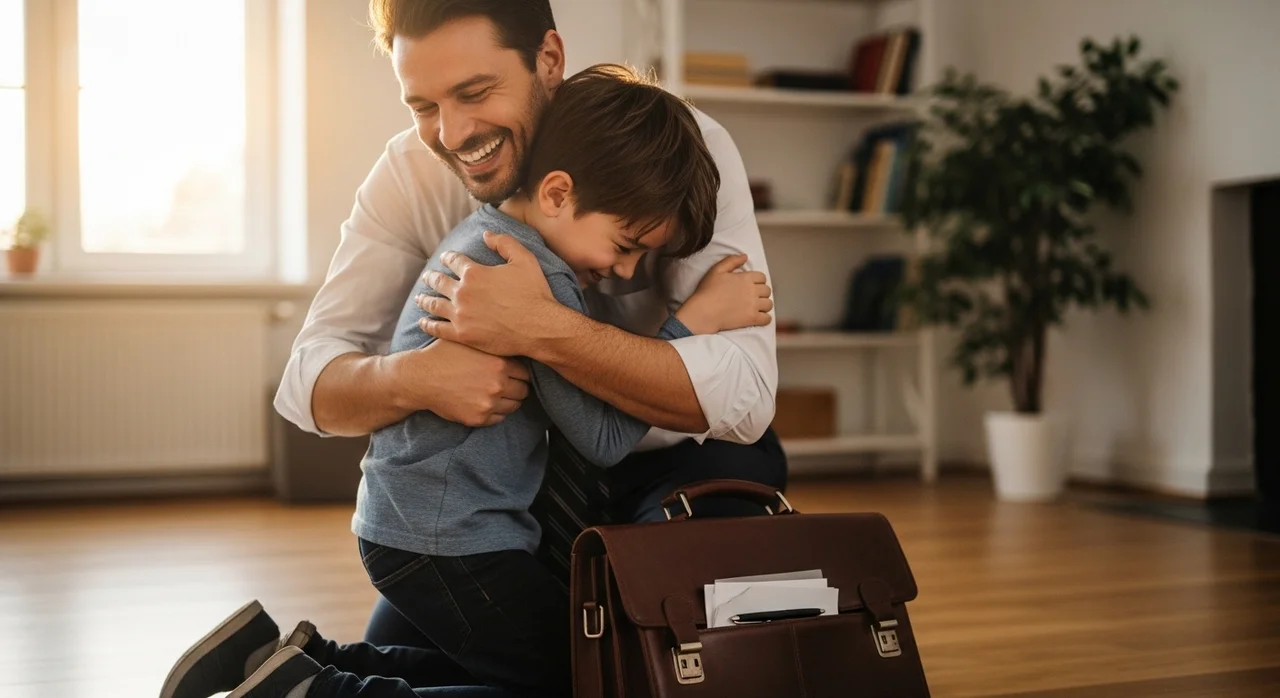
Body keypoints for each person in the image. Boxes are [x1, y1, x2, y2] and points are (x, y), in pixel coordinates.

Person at [158, 65, 769, 698]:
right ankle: (319, 694)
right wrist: (691, 323)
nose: (625, 271)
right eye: (624, 245)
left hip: (421, 525)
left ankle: (281, 660)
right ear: (557, 194)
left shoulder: (487, 233)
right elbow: (605, 439)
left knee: (511, 670)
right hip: (448, 538)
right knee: (577, 682)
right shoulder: (532, 277)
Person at [273, 0, 786, 651]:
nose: (453, 133)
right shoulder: (412, 175)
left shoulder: (674, 153)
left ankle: (302, 674)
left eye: (474, 92)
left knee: (653, 650)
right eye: (424, 106)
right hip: (501, 496)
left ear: (548, 59)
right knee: (551, 668)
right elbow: (307, 384)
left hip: (676, 460)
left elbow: (746, 398)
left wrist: (539, 326)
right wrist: (416, 378)